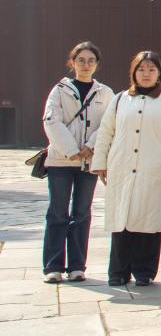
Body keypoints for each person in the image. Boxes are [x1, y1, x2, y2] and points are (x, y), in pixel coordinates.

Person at [91, 51, 161, 287]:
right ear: (134, 72)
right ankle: (118, 271)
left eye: (151, 69)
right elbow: (106, 132)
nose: (146, 74)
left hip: (155, 168)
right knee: (121, 220)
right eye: (141, 69)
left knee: (150, 220)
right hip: (122, 166)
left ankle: (144, 271)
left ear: (159, 73)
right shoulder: (120, 99)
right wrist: (100, 163)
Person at [41, 41, 114, 283]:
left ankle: (76, 266)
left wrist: (90, 147)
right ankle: (53, 266)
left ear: (97, 64)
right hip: (61, 161)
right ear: (72, 62)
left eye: (90, 60)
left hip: (87, 163)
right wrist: (72, 149)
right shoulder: (60, 90)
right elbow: (52, 121)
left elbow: (108, 124)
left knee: (82, 213)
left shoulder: (105, 93)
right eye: (81, 60)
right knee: (57, 213)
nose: (85, 65)